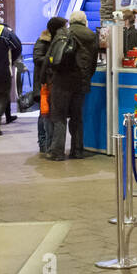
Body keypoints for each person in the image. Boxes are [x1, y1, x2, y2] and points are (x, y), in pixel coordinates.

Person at [46, 11, 98, 161]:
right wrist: (86, 77)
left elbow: (54, 57)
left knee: (59, 116)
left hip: (62, 81)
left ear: (71, 21)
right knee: (77, 117)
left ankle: (57, 152)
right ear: (84, 21)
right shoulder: (92, 35)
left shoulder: (65, 33)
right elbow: (93, 61)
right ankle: (77, 150)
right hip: (81, 82)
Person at [32, 16, 66, 153]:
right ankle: (43, 143)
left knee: (48, 113)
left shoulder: (59, 40)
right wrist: (53, 59)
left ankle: (47, 143)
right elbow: (37, 58)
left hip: (52, 81)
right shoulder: (43, 40)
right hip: (44, 82)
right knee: (43, 114)